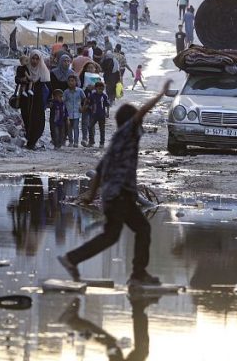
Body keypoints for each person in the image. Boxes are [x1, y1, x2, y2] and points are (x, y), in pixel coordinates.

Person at [57, 80, 174, 286]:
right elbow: (141, 113)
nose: (141, 125)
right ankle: (138, 275)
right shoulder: (128, 133)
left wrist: (92, 196)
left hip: (113, 196)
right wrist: (161, 94)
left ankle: (72, 259)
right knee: (142, 229)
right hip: (121, 195)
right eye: (138, 121)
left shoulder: (116, 141)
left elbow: (100, 170)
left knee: (112, 235)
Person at [18, 50, 50, 150]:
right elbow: (17, 79)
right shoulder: (23, 69)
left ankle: (32, 142)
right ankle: (29, 140)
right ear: (30, 58)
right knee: (27, 119)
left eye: (37, 59)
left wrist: (49, 100)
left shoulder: (43, 70)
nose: (35, 61)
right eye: (33, 58)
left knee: (38, 121)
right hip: (26, 99)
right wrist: (22, 79)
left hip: (38, 100)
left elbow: (49, 86)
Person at [62, 75, 86, 147]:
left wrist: (83, 107)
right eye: (69, 81)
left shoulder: (80, 91)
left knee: (76, 127)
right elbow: (63, 101)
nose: (70, 82)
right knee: (69, 128)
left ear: (76, 82)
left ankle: (76, 142)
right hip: (68, 113)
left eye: (72, 81)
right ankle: (70, 141)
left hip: (77, 112)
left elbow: (85, 99)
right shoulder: (66, 92)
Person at [85, 81, 110, 147]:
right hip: (93, 114)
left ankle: (102, 143)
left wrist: (107, 113)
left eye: (102, 89)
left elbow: (107, 105)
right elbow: (88, 102)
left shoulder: (104, 96)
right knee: (90, 127)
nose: (100, 90)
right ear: (96, 88)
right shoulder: (92, 95)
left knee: (102, 129)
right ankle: (91, 141)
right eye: (99, 89)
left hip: (102, 115)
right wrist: (87, 107)